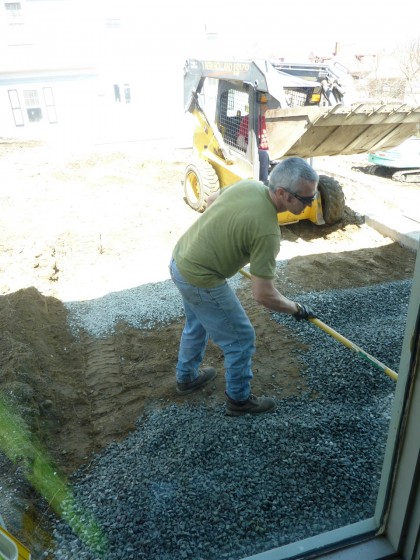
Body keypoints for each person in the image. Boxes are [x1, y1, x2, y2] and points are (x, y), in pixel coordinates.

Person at [169, 157, 318, 416]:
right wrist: (295, 308)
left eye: (313, 196)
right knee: (241, 338)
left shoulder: (248, 186)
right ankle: (238, 401)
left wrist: (227, 233)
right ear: (282, 194)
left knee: (198, 322)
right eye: (305, 199)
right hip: (200, 277)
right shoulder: (268, 232)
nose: (311, 202)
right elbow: (263, 295)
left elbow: (210, 201)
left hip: (180, 260)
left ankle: (187, 377)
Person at [237, 94, 270, 182]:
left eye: (265, 104)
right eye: (262, 104)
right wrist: (251, 149)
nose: (264, 106)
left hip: (273, 151)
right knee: (263, 154)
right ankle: (263, 183)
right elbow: (240, 140)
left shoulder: (272, 119)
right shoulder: (248, 119)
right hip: (259, 152)